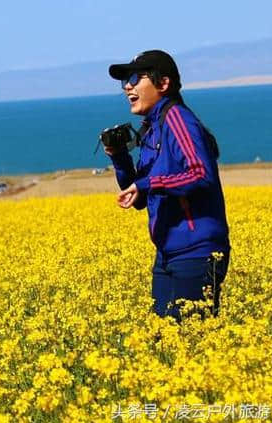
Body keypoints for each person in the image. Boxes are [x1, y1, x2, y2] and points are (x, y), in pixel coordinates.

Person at [105, 50, 230, 322]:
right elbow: (139, 196)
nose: (128, 85)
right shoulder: (151, 130)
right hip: (167, 254)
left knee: (189, 343)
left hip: (197, 252)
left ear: (163, 84)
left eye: (137, 78)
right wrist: (119, 157)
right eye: (126, 79)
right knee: (163, 343)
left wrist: (151, 182)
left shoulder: (176, 119)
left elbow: (200, 174)